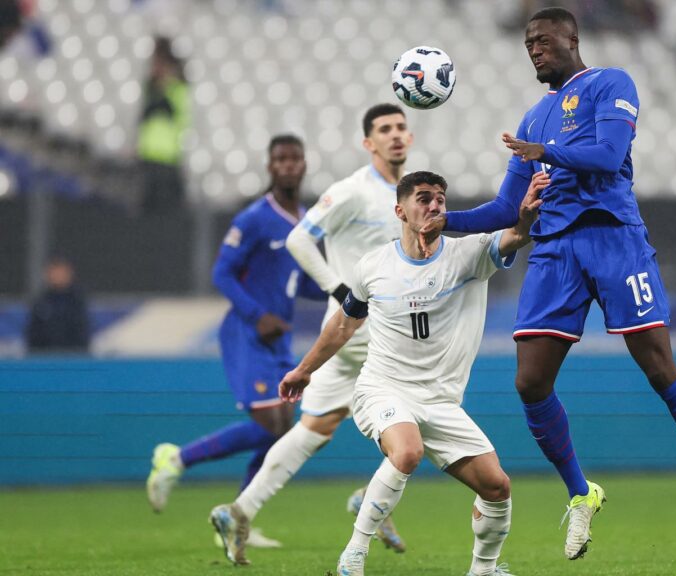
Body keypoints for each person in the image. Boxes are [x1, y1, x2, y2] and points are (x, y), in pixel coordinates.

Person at [420, 7, 676, 559]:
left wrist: (547, 153)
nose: (534, 50)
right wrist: (442, 222)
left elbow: (609, 154)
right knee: (529, 383)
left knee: (660, 368)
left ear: (572, 38)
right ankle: (580, 493)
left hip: (613, 238)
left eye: (543, 40)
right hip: (554, 251)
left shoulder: (610, 83)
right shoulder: (532, 119)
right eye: (528, 44)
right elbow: (505, 208)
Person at [222, 170, 543, 576]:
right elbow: (343, 324)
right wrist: (304, 370)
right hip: (384, 389)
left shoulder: (468, 254)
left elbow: (514, 237)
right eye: (423, 198)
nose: (434, 205)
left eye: (440, 198)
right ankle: (353, 556)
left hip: (440, 401)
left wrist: (527, 218)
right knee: (408, 451)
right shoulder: (374, 266)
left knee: (497, 487)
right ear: (400, 210)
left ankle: (484, 569)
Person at [207, 104, 412, 565]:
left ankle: (240, 510)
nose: (395, 135)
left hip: (347, 333)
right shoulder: (354, 191)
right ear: (369, 142)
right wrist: (338, 289)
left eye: (401, 127)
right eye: (385, 129)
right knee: (423, 419)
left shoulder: (408, 189)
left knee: (313, 428)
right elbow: (301, 238)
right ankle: (372, 501)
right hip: (372, 329)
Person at [146, 135, 324, 548]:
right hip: (248, 332)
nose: (288, 165)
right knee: (271, 424)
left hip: (277, 337)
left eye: (295, 158)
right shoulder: (254, 218)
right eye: (280, 158)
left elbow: (300, 282)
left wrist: (341, 290)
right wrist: (256, 315)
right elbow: (222, 273)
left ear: (304, 164)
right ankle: (175, 460)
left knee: (282, 431)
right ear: (269, 166)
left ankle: (239, 517)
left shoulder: (305, 220)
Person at [137, 36, 190, 214]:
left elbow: (180, 117)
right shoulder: (150, 90)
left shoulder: (177, 90)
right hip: (148, 156)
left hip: (168, 158)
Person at [25, 256, 90, 354]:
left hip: (72, 357)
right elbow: (33, 333)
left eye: (61, 272)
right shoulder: (41, 301)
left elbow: (82, 332)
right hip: (44, 357)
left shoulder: (77, 301)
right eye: (55, 272)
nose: (58, 276)